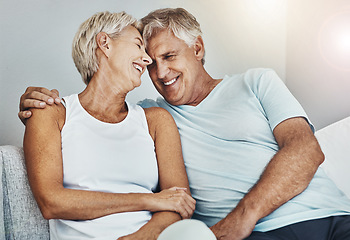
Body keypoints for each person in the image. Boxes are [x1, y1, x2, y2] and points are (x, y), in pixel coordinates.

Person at [20, 8, 350, 240]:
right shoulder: (150, 114)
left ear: (197, 47)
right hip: (256, 235)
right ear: (104, 45)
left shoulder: (256, 82)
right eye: (147, 58)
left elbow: (306, 149)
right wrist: (35, 103)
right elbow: (57, 194)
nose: (157, 70)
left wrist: (239, 220)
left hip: (328, 216)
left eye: (168, 56)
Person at [22, 11, 202, 240]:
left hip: (151, 237)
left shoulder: (156, 121)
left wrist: (141, 237)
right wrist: (149, 199)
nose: (147, 61)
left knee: (197, 233)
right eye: (138, 46)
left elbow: (179, 204)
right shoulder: (51, 113)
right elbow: (51, 202)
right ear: (105, 43)